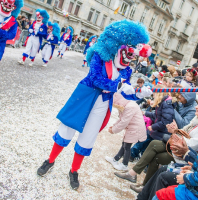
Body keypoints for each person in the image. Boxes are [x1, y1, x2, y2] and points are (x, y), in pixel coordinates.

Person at [36, 20, 153, 190]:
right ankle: (50, 160)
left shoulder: (127, 69)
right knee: (66, 130)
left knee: (88, 137)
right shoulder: (100, 55)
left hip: (102, 104)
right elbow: (95, 79)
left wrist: (138, 93)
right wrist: (118, 86)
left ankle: (74, 171)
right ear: (119, 43)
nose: (133, 54)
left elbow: (125, 89)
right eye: (132, 47)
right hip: (85, 96)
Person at [118, 98, 198, 193]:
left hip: (184, 157)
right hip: (176, 148)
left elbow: (192, 145)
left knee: (156, 152)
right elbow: (184, 132)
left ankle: (139, 180)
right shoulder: (197, 120)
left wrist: (175, 132)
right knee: (154, 144)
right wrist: (175, 130)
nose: (196, 107)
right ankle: (142, 182)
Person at [136, 108, 198, 199]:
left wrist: (185, 152)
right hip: (192, 168)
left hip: (197, 180)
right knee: (161, 165)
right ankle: (143, 194)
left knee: (163, 174)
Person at [129, 85, 174, 161]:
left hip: (160, 132)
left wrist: (153, 127)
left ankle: (132, 156)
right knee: (144, 142)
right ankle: (133, 155)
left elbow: (165, 122)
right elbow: (157, 115)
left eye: (154, 93)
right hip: (157, 130)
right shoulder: (162, 102)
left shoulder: (166, 104)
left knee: (144, 141)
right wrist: (146, 113)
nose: (153, 95)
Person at [105, 93, 147, 171]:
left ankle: (124, 165)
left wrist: (113, 130)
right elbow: (121, 118)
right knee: (124, 144)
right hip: (132, 128)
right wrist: (113, 126)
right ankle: (115, 159)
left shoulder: (129, 107)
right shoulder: (126, 105)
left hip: (135, 129)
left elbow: (124, 122)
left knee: (127, 146)